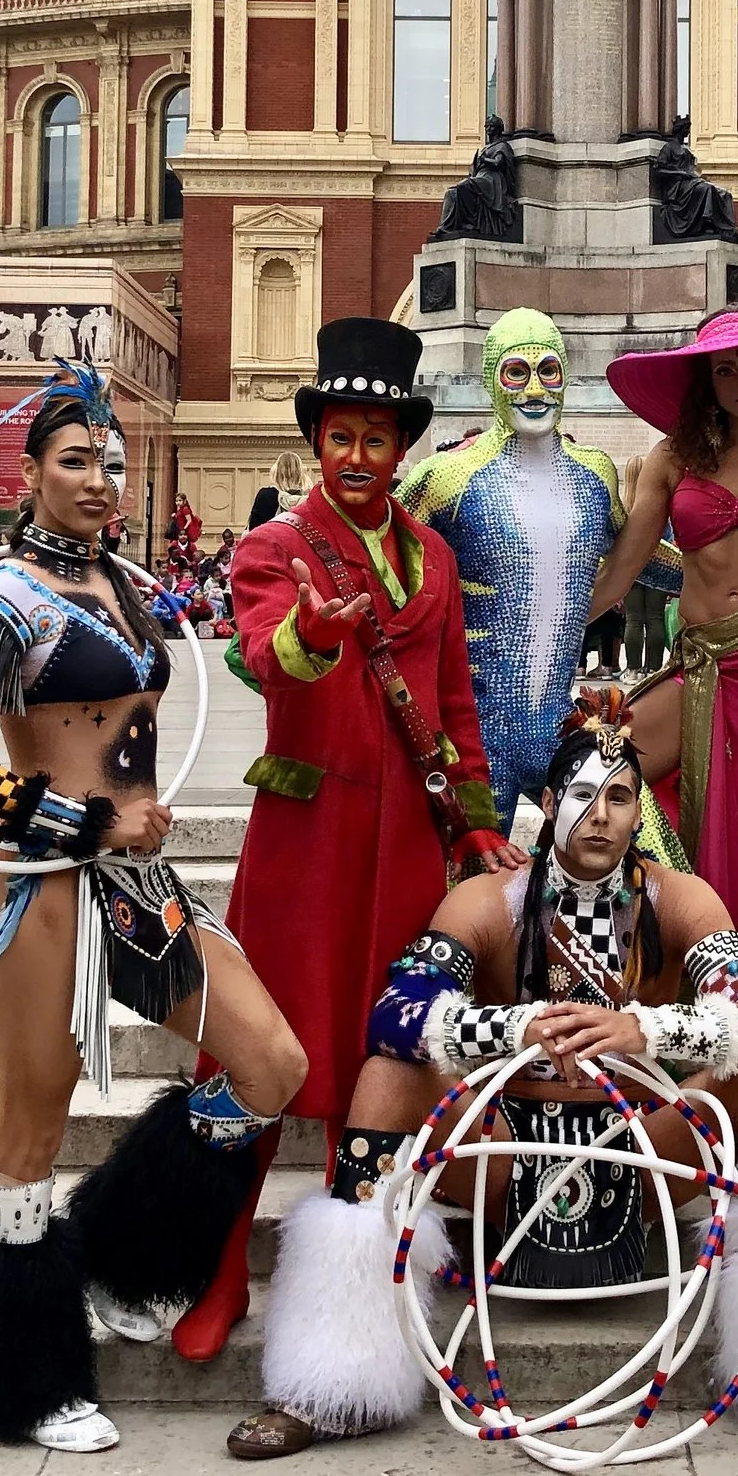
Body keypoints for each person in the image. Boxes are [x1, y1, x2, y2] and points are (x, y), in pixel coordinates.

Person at [228, 696, 738, 1466]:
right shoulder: (488, 902)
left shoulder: (677, 899)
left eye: (619, 797)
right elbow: (395, 1015)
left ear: (638, 811)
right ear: (551, 804)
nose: (599, 815)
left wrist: (644, 1030)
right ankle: (331, 1383)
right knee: (389, 1076)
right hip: (501, 1158)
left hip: (644, 1149)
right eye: (583, 796)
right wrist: (510, 1029)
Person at [0, 362, 308, 1455]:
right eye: (78, 461)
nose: (101, 482)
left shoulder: (129, 590)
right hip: (42, 886)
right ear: (33, 471)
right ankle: (17, 1382)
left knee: (271, 1065)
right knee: (27, 1131)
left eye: (113, 464)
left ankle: (122, 1253)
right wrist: (89, 825)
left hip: (140, 886)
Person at [193, 319, 515, 1363]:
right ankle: (217, 1260)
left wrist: (474, 826)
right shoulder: (273, 548)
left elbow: (455, 703)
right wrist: (312, 634)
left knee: (390, 1043)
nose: (360, 456)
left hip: (412, 847)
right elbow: (257, 658)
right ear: (317, 443)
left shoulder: (432, 555)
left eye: (378, 437)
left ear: (403, 447)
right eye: (342, 436)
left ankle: (375, 1254)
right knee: (258, 1046)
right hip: (309, 837)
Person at [594, 306, 738, 916]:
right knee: (597, 764)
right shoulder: (672, 459)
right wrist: (536, 640)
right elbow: (623, 568)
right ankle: (665, 932)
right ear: (707, 383)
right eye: (725, 371)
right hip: (697, 661)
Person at [400, 309, 628, 832]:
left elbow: (637, 554)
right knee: (473, 891)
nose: (535, 390)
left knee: (645, 850)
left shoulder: (594, 474)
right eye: (516, 372)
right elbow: (381, 560)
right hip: (476, 738)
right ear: (489, 380)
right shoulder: (447, 478)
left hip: (562, 728)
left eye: (548, 370)